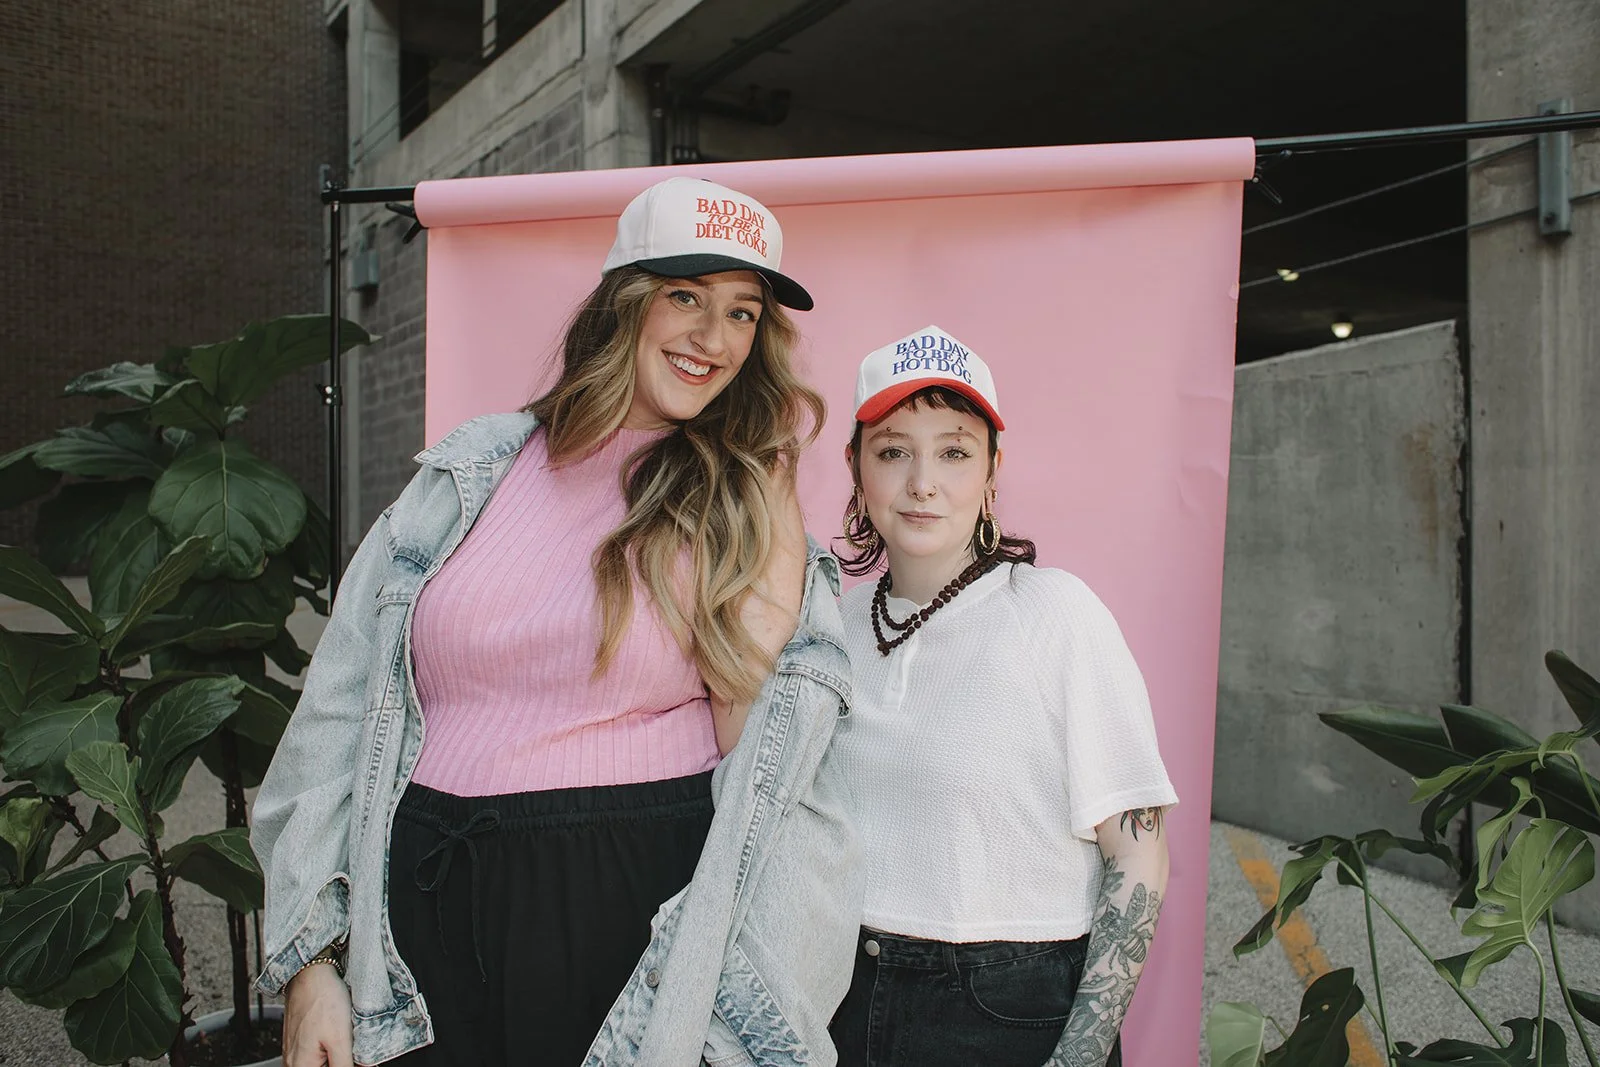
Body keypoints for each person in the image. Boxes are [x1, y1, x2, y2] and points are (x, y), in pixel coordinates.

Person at [252, 177, 862, 1067]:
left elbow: (776, 779)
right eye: (684, 296)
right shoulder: (461, 480)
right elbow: (334, 719)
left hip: (619, 923)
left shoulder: (745, 507)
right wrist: (312, 961)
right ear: (623, 305)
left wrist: (765, 536)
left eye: (741, 313)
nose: (712, 338)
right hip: (418, 925)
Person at [826, 326, 1178, 1067]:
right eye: (893, 450)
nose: (923, 480)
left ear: (992, 470)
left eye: (953, 450)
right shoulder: (833, 625)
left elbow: (1139, 858)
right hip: (840, 996)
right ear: (856, 466)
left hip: (1007, 1012)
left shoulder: (1055, 614)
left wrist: (1078, 1057)